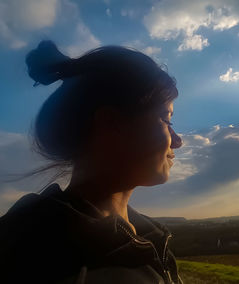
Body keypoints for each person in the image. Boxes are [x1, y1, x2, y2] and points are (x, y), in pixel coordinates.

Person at [0, 40, 184, 283]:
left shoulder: (145, 237)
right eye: (166, 119)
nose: (178, 140)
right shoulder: (42, 262)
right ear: (111, 123)